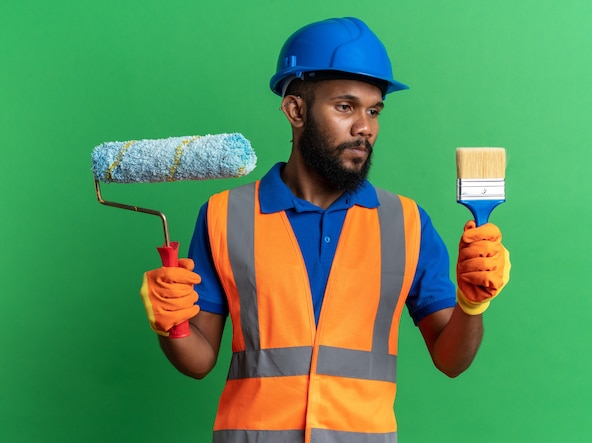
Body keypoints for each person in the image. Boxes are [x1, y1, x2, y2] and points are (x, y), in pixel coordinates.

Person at [139, 17, 511, 443]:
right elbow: (199, 361)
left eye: (374, 110)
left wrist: (472, 306)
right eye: (345, 107)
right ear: (295, 109)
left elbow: (451, 360)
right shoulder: (225, 214)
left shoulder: (406, 222)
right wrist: (172, 324)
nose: (364, 127)